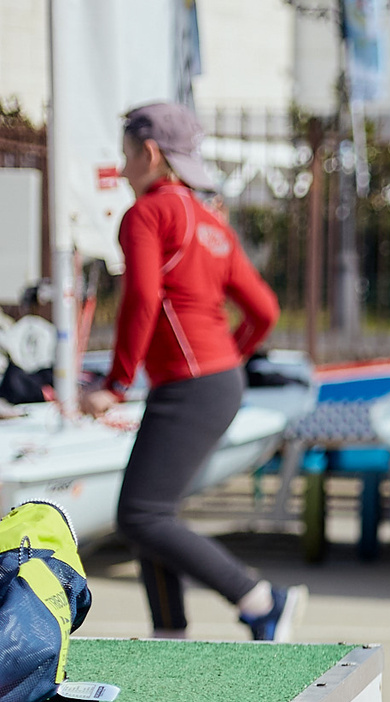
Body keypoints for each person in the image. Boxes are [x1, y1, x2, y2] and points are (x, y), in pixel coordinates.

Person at [83, 102, 302, 642]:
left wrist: (114, 382)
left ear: (151, 154)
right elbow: (265, 310)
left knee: (141, 514)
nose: (124, 164)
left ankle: (260, 600)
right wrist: (229, 354)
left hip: (190, 384)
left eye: (127, 153)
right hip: (215, 382)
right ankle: (170, 634)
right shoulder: (211, 221)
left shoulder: (148, 213)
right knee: (152, 511)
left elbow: (141, 296)